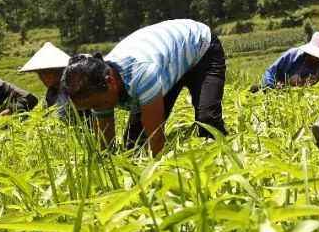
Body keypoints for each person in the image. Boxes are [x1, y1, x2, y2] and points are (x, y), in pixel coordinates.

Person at [60, 19, 226, 156]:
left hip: (200, 47)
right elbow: (105, 146)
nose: (98, 110)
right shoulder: (97, 86)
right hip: (166, 60)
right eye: (91, 108)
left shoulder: (142, 73)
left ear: (110, 81)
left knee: (208, 121)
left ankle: (223, 161)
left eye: (97, 104)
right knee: (133, 146)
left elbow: (157, 140)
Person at [17, 41, 90, 122]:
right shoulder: (52, 90)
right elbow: (46, 112)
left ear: (60, 70)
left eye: (47, 72)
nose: (43, 78)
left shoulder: (70, 87)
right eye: (39, 74)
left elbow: (59, 116)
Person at [251, 31, 319, 92]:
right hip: (282, 91)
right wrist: (273, 85)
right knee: (256, 89)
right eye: (316, 56)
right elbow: (271, 71)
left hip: (305, 95)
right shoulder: (292, 55)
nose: (318, 59)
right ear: (309, 53)